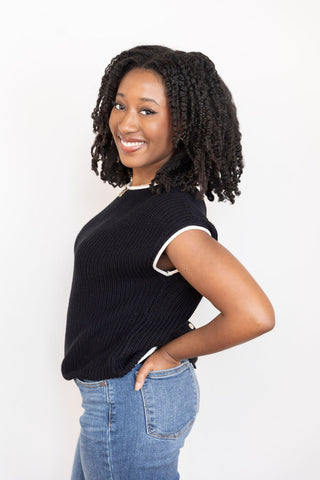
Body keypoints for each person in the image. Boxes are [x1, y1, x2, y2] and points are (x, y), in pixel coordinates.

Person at [61, 45, 275, 480]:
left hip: (129, 401)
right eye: (120, 105)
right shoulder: (143, 199)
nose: (126, 122)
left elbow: (254, 314)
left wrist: (172, 351)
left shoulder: (172, 218)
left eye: (147, 110)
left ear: (183, 125)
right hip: (115, 402)